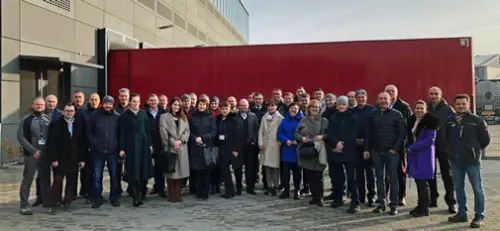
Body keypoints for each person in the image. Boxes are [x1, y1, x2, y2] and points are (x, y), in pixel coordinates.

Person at [446, 94, 490, 229]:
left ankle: (478, 216)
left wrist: (474, 150)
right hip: (456, 161)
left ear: (468, 105)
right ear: (454, 105)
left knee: (477, 189)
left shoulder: (476, 120)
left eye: (463, 104)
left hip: (472, 161)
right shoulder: (450, 120)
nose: (461, 106)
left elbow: (485, 139)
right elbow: (446, 139)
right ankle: (462, 213)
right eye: (458, 104)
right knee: (458, 189)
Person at [364, 92, 405, 215]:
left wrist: (395, 148)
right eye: (380, 98)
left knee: (393, 179)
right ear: (377, 100)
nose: (383, 101)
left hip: (391, 152)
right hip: (376, 151)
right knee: (379, 178)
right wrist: (367, 149)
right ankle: (381, 203)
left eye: (385, 99)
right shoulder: (372, 115)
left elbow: (401, 133)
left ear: (390, 100)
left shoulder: (397, 114)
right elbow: (368, 133)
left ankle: (393, 205)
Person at [46, 104, 85, 213]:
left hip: (73, 158)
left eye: (71, 111)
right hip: (60, 158)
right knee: (58, 181)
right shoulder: (56, 124)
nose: (69, 113)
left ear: (74, 112)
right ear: (63, 112)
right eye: (67, 111)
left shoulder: (78, 124)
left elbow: (82, 143)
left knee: (71, 181)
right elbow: (52, 143)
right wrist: (53, 159)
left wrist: (82, 159)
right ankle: (55, 203)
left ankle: (67, 201)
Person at [17, 97, 52, 215]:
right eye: (37, 104)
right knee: (28, 179)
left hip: (45, 155)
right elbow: (21, 137)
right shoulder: (26, 120)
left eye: (42, 104)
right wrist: (33, 151)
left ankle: (47, 203)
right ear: (33, 105)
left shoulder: (48, 119)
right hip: (32, 155)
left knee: (45, 179)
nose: (39, 106)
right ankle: (24, 204)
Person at [119, 93, 154, 207]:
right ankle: (135, 197)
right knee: (133, 171)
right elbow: (122, 133)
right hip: (131, 146)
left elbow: (147, 130)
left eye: (138, 102)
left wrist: (149, 144)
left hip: (143, 146)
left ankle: (141, 194)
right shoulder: (125, 116)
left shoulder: (143, 114)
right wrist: (122, 148)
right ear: (130, 102)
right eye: (134, 101)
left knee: (142, 170)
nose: (136, 104)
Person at [87, 96, 121, 208]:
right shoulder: (94, 116)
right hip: (98, 151)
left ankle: (114, 197)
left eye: (110, 104)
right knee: (97, 176)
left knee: (114, 176)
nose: (108, 106)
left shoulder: (117, 117)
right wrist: (94, 143)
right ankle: (97, 198)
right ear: (102, 104)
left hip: (112, 151)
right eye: (106, 104)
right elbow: (89, 132)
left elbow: (120, 134)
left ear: (113, 105)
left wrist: (119, 147)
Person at [328, 96, 360, 213]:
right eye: (339, 104)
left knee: (352, 178)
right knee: (338, 177)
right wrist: (336, 143)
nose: (341, 106)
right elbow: (330, 132)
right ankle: (338, 198)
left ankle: (355, 202)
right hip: (336, 150)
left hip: (349, 150)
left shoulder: (353, 117)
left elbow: (354, 133)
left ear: (347, 105)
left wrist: (344, 143)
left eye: (343, 104)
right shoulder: (333, 117)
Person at [427, 86, 457, 213]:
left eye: (436, 94)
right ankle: (433, 199)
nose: (434, 96)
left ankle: (451, 202)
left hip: (444, 148)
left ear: (441, 95)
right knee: (430, 174)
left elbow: (453, 130)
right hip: (429, 148)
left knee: (448, 176)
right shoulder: (426, 109)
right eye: (431, 94)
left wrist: (450, 146)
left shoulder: (448, 109)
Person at [407, 101, 439, 217]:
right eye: (417, 108)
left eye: (422, 108)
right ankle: (420, 205)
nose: (419, 110)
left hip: (424, 155)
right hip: (415, 155)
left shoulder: (430, 122)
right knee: (419, 181)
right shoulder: (412, 120)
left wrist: (413, 147)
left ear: (425, 110)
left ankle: (424, 208)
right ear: (414, 109)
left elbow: (430, 140)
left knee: (422, 182)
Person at [295, 99, 329, 207]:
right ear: (309, 109)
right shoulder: (303, 120)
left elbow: (328, 134)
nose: (314, 109)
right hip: (307, 150)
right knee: (309, 175)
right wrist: (302, 138)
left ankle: (320, 197)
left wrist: (322, 136)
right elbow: (296, 133)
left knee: (319, 175)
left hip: (318, 151)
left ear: (319, 109)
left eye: (317, 107)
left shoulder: (324, 120)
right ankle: (314, 197)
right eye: (312, 107)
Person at [385, 84, 412, 206]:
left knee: (400, 172)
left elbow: (408, 127)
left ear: (397, 93)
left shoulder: (404, 107)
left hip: (399, 145)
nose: (390, 93)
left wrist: (404, 143)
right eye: (388, 91)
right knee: (385, 172)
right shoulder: (381, 106)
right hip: (384, 145)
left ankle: (401, 196)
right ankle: (385, 195)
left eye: (392, 91)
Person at [159, 97, 190, 202]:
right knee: (171, 172)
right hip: (170, 148)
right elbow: (163, 133)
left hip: (182, 147)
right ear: (171, 105)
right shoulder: (164, 117)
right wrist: (173, 142)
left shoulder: (183, 117)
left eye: (178, 105)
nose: (176, 106)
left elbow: (187, 131)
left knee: (180, 172)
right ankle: (171, 194)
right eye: (174, 104)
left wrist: (181, 140)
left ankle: (177, 193)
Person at [188, 98, 217, 200]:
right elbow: (189, 131)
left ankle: (205, 192)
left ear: (206, 106)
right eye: (200, 104)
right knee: (198, 171)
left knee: (206, 171)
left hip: (207, 147)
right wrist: (195, 138)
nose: (202, 106)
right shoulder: (192, 117)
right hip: (196, 147)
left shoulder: (210, 117)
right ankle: (198, 191)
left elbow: (214, 132)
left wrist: (203, 138)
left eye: (204, 105)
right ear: (197, 105)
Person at [352, 89, 376, 207]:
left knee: (370, 173)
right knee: (359, 174)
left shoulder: (372, 110)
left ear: (366, 98)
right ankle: (361, 196)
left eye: (363, 97)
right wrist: (354, 139)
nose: (361, 99)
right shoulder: (352, 111)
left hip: (369, 146)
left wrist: (366, 141)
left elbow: (374, 129)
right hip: (355, 147)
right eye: (359, 97)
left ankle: (371, 196)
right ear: (355, 98)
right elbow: (349, 128)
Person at [216, 102, 243, 198]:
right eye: (222, 108)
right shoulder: (219, 119)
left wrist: (236, 149)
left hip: (231, 148)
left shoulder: (234, 119)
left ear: (230, 109)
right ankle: (229, 190)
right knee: (224, 170)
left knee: (235, 169)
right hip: (222, 147)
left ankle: (236, 189)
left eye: (226, 108)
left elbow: (239, 136)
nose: (224, 110)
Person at [77, 93, 101, 204]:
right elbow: (80, 133)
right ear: (88, 101)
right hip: (87, 148)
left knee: (98, 173)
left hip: (100, 148)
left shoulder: (102, 112)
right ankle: (89, 194)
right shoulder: (83, 114)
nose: (94, 102)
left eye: (96, 100)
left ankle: (98, 193)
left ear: (99, 101)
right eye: (92, 100)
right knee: (88, 173)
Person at [277, 102, 303, 200]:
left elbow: (305, 132)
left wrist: (298, 139)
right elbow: (279, 133)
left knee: (297, 174)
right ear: (289, 109)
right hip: (287, 150)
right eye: (291, 108)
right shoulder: (284, 120)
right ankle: (286, 190)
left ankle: (297, 190)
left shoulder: (302, 120)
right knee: (285, 173)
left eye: (295, 109)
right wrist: (285, 140)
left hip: (297, 151)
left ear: (298, 110)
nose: (293, 110)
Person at [258, 99, 284, 196]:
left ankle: (276, 186)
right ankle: (269, 186)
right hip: (265, 145)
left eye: (272, 105)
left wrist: (280, 143)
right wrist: (260, 142)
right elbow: (260, 131)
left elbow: (282, 131)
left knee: (275, 168)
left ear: (276, 106)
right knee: (267, 167)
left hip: (275, 146)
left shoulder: (280, 118)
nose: (270, 107)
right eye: (269, 106)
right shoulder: (264, 117)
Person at [146, 94, 168, 198]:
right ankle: (143, 189)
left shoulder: (164, 113)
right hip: (148, 144)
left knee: (160, 169)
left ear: (158, 101)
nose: (153, 102)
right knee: (146, 168)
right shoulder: (144, 113)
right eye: (151, 100)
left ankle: (161, 190)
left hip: (160, 145)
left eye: (155, 100)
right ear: (148, 102)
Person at [237, 99, 260, 195]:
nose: (243, 107)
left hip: (250, 147)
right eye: (242, 105)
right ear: (239, 106)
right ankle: (238, 188)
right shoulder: (234, 116)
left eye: (245, 105)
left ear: (248, 106)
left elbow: (256, 130)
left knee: (250, 168)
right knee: (237, 168)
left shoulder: (253, 116)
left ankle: (250, 188)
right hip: (238, 147)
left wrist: (254, 141)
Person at [114, 88, 130, 197]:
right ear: (119, 97)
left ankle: (131, 188)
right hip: (116, 143)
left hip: (130, 143)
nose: (124, 98)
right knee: (117, 169)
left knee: (130, 167)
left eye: (125, 96)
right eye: (122, 96)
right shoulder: (115, 110)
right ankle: (117, 189)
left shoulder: (133, 109)